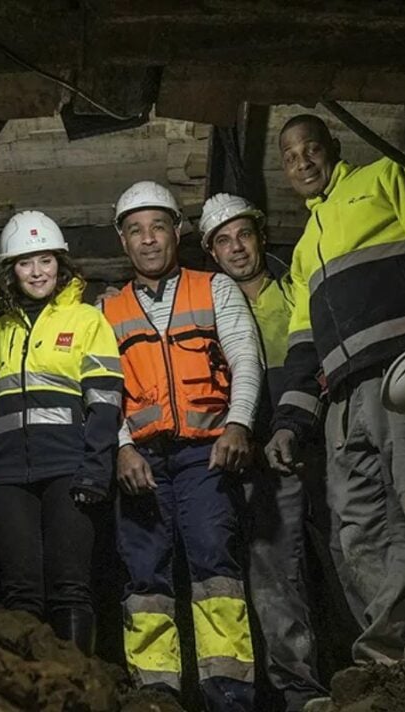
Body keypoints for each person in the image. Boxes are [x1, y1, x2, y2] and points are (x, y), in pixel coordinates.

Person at [266, 114, 405, 665]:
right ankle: (386, 655)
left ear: (333, 147)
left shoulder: (385, 177)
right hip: (342, 401)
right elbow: (302, 348)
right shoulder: (303, 251)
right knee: (359, 525)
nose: (302, 163)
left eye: (310, 149)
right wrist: (291, 422)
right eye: (290, 158)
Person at [101, 180, 263, 711]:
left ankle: (230, 697)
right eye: (135, 231)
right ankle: (156, 698)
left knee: (216, 571)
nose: (148, 240)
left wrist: (238, 424)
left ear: (177, 232)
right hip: (140, 460)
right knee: (145, 580)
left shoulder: (214, 287)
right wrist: (122, 447)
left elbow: (244, 358)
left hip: (205, 453)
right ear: (123, 242)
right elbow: (102, 390)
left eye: (158, 227)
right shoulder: (107, 309)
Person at [200, 193, 328, 711]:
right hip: (252, 460)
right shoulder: (209, 307)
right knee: (272, 577)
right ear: (212, 252)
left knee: (342, 556)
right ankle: (299, 692)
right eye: (224, 241)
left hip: (313, 444)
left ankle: (372, 674)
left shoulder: (295, 291)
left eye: (243, 235)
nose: (236, 248)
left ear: (261, 236)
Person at [0, 210, 123, 655]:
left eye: (45, 260)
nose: (37, 271)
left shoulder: (86, 320)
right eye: (26, 263)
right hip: (4, 475)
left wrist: (95, 472)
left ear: (60, 264)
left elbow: (105, 403)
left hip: (68, 470)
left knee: (70, 586)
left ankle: (79, 690)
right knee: (20, 590)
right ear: (11, 270)